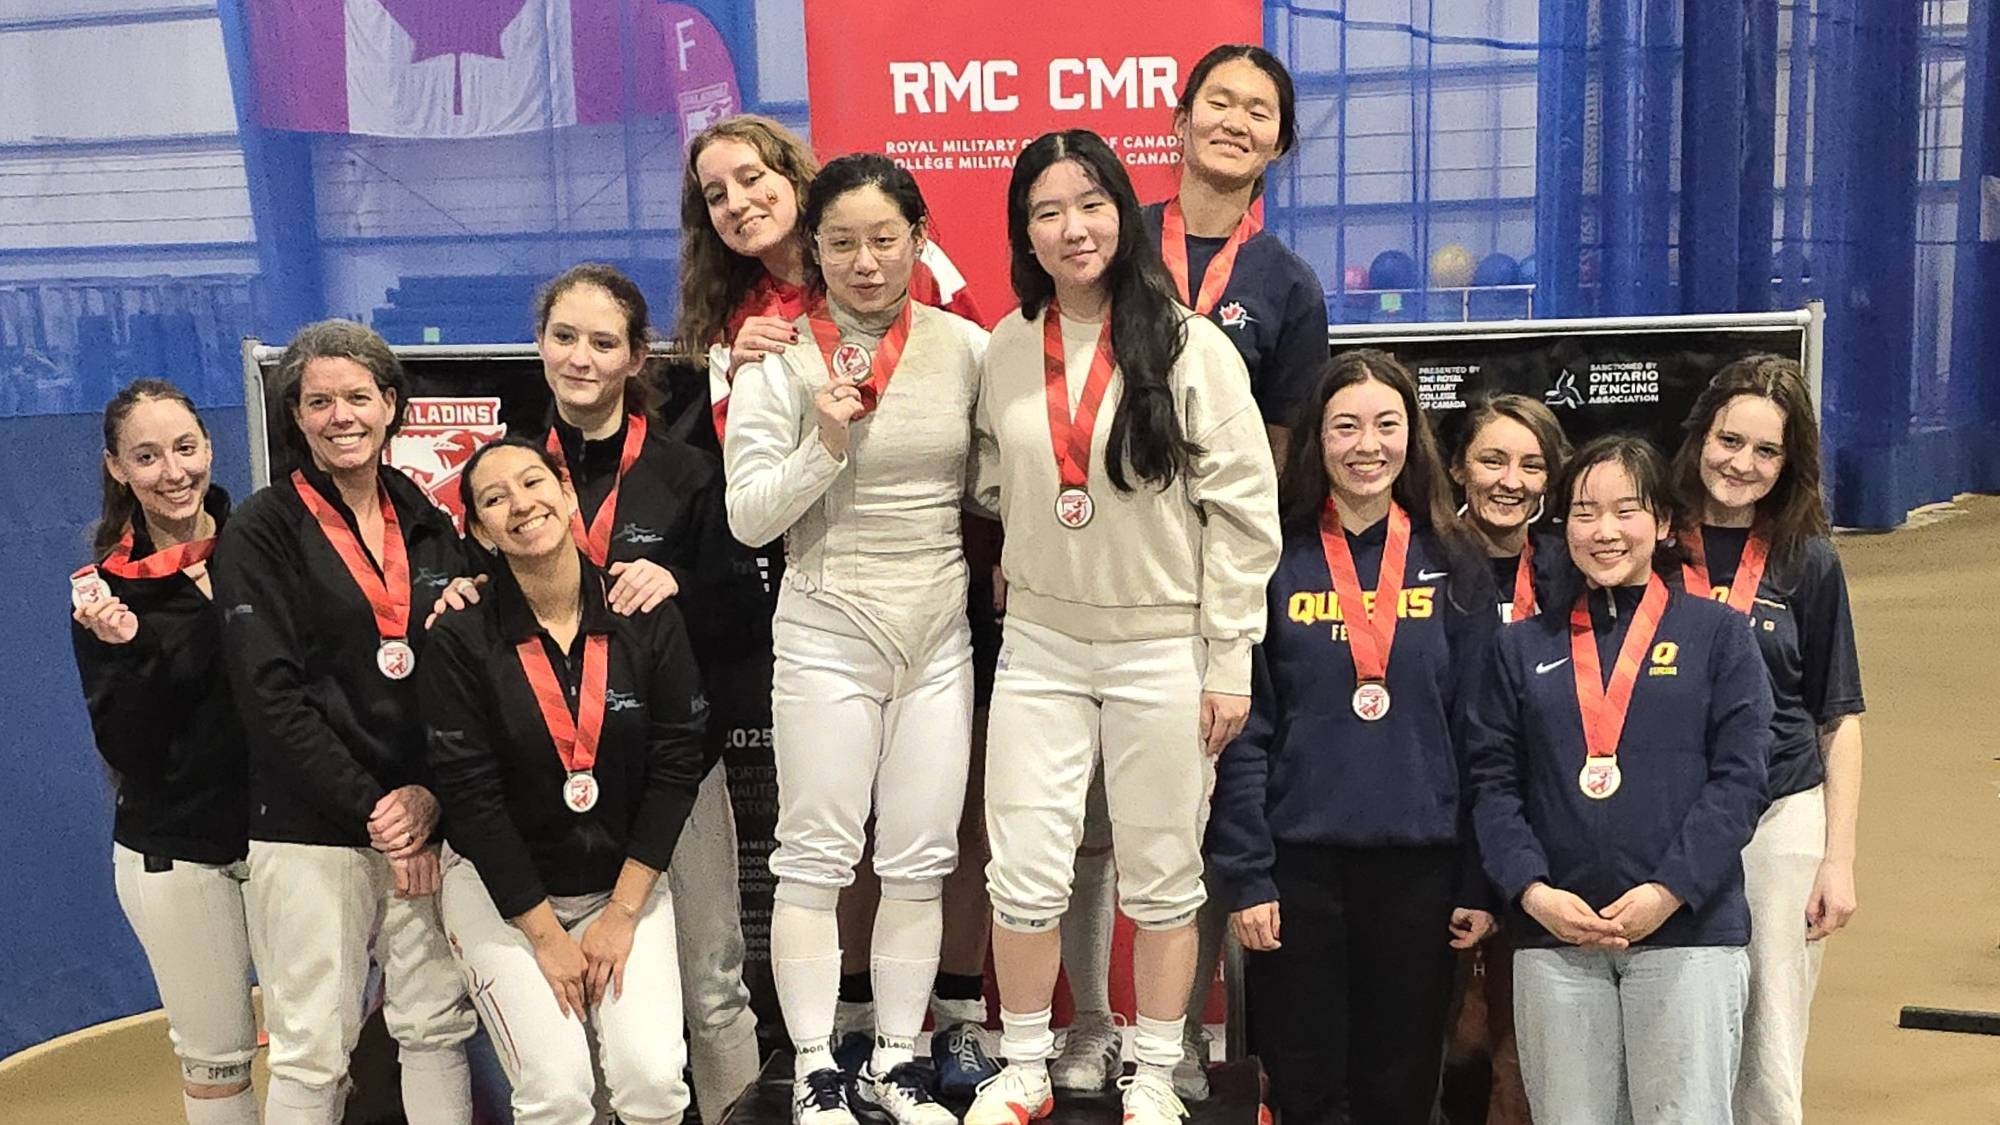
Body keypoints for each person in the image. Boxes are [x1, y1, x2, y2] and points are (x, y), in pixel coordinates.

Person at [966, 129, 1281, 1125]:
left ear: (1122, 213)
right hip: (1041, 643)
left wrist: (1228, 657)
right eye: (1047, 211)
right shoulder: (1007, 346)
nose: (1073, 228)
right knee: (1023, 869)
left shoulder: (1191, 346)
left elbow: (1244, 515)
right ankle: (1024, 1063)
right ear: (1024, 231)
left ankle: (1152, 1069)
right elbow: (989, 475)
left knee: (1161, 874)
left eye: (1091, 203)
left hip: (1162, 643)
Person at [1056, 44, 1327, 1099]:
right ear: (1176, 120)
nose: (1236, 121)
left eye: (1259, 111)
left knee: (1197, 816)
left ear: (1277, 145)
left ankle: (1180, 1038)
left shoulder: (1284, 283)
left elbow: (1280, 453)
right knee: (1084, 825)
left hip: (1202, 589)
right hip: (1084, 576)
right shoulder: (1109, 241)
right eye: (1219, 101)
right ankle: (1088, 1021)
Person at [723, 153, 987, 1125]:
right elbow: (749, 517)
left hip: (938, 632)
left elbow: (998, 480)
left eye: (883, 239)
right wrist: (822, 446)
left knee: (919, 860)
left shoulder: (969, 349)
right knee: (815, 859)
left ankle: (898, 1059)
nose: (865, 262)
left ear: (918, 239)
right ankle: (813, 1067)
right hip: (827, 628)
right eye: (841, 243)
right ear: (814, 248)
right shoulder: (778, 359)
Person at [1206, 349, 1499, 1124]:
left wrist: (1477, 878)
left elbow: (1481, 731)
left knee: (1400, 1089)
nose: (1367, 445)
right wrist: (1249, 874)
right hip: (1298, 867)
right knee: (1305, 1089)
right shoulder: (1273, 557)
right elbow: (1245, 727)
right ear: (1317, 438)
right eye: (1345, 426)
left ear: (1413, 436)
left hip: (1420, 868)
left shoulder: (1455, 559)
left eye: (1386, 424)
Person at [1465, 434, 1773, 1125]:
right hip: (1555, 937)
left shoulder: (1719, 636)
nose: (1604, 530)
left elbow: (1741, 781)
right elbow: (1493, 785)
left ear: (1662, 523)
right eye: (1584, 512)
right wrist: (1533, 892)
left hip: (1687, 932)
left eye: (1625, 510)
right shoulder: (1520, 648)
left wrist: (1669, 890)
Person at [214, 320, 477, 1125]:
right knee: (311, 1048)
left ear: (391, 404)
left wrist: (427, 798)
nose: (341, 417)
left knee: (435, 1025)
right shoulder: (261, 529)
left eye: (358, 396)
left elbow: (464, 678)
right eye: (319, 401)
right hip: (311, 828)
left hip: (421, 824)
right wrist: (376, 809)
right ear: (295, 416)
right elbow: (269, 696)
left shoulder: (429, 521)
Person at [421, 438, 711, 1125]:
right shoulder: (461, 636)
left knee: (652, 1082)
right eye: (496, 499)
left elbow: (677, 766)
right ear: (480, 532)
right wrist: (547, 937)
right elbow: (472, 799)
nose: (521, 504)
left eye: (533, 482)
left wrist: (621, 916)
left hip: (622, 887)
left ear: (566, 493)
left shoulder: (642, 610)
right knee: (557, 1093)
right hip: (505, 898)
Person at [534, 262, 765, 1120]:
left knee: (713, 986)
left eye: (603, 342)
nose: (580, 358)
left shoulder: (688, 473)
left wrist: (681, 586)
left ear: (636, 358)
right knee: (583, 990)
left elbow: (745, 615)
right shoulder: (512, 472)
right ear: (540, 344)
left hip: (676, 766)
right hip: (554, 772)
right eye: (564, 337)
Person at [1668, 355, 1865, 1125]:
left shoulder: (1807, 561)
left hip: (1777, 821)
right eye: (1730, 440)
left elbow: (1838, 717)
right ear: (1700, 435)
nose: (1742, 463)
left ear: (1789, 463)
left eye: (1766, 450)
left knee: (1769, 1046)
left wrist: (1837, 859)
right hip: (1664, 819)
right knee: (1672, 1031)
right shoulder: (1649, 541)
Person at [69, 380, 258, 1125]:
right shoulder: (105, 595)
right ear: (117, 469)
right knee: (216, 1059)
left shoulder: (265, 546)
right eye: (146, 457)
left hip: (290, 839)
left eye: (185, 448)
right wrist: (131, 651)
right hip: (177, 850)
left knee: (318, 1046)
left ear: (209, 447)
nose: (174, 472)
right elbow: (127, 749)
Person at [676, 113, 979, 443]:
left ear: (792, 176)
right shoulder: (730, 316)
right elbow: (744, 453)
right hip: (813, 471)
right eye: (716, 196)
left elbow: (980, 378)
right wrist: (742, 377)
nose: (735, 204)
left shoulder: (908, 257)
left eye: (750, 179)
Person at [1439, 393, 1571, 1125]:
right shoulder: (1422, 562)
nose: (1510, 481)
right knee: (1449, 1043)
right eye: (1492, 460)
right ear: (1459, 467)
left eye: (1531, 464)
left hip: (1541, 833)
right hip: (1440, 829)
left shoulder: (1570, 570)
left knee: (1523, 1053)